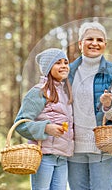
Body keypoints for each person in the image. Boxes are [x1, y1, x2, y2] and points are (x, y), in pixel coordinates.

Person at [68, 22, 112, 190]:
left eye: (100, 40)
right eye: (89, 39)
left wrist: (109, 105)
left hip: (105, 147)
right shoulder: (68, 71)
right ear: (80, 44)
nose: (95, 43)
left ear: (105, 45)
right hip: (74, 148)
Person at [14, 48, 74, 190]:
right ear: (48, 68)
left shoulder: (66, 93)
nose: (64, 65)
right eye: (58, 63)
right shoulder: (38, 92)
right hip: (44, 156)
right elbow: (20, 124)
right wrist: (46, 128)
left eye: (66, 62)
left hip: (62, 157)